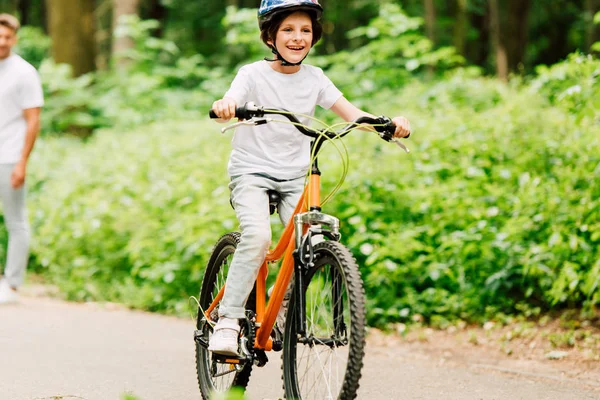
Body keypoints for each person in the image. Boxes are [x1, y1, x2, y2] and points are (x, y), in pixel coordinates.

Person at [208, 0, 411, 355]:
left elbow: (350, 113)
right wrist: (226, 107)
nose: (297, 38)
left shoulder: (315, 78)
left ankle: (282, 311)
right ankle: (227, 320)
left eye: (305, 30)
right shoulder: (252, 74)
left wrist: (387, 124)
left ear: (314, 36)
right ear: (270, 36)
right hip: (251, 171)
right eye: (288, 29)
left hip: (293, 176)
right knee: (257, 236)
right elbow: (230, 99)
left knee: (307, 242)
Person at [0, 13, 44, 304]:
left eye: (7, 37)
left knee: (15, 220)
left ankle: (12, 284)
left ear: (15, 39)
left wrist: (22, 162)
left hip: (10, 156)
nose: (2, 41)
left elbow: (33, 120)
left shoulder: (24, 72)